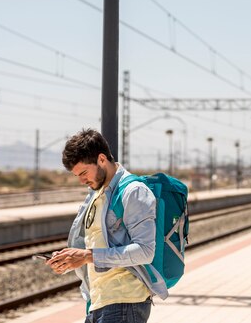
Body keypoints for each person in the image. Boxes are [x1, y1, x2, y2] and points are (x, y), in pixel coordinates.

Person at [46, 128, 167, 323]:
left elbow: (145, 251)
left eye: (84, 172)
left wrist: (87, 256)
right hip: (98, 301)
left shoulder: (133, 191)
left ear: (102, 159)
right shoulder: (96, 194)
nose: (81, 180)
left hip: (125, 302)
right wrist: (70, 259)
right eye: (77, 175)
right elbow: (97, 247)